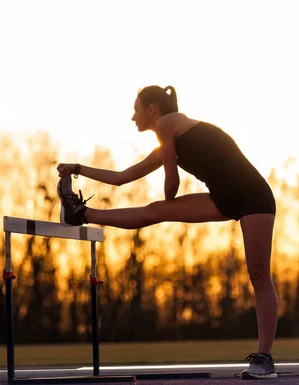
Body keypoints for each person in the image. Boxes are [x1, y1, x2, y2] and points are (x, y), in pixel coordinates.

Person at [56, 85, 278, 380]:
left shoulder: (167, 123)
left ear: (151, 109)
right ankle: (81, 214)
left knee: (259, 275)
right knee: (155, 211)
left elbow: (171, 182)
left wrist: (169, 206)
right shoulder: (170, 139)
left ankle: (265, 359)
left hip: (253, 197)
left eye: (136, 109)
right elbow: (123, 178)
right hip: (225, 198)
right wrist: (77, 168)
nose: (133, 116)